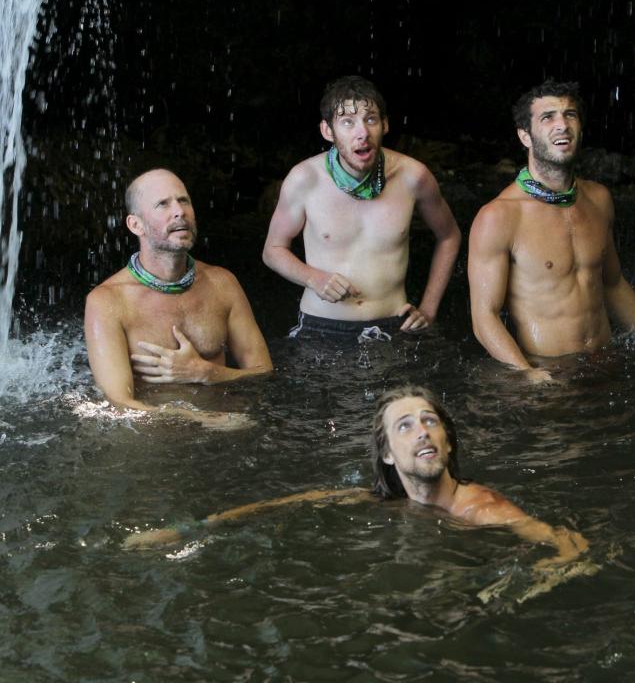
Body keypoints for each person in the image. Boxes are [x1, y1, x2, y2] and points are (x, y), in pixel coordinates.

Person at [123, 386, 594, 602]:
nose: (422, 433)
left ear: (448, 441)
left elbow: (572, 546)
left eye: (431, 422)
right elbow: (290, 504)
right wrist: (190, 529)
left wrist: (531, 583)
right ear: (388, 455)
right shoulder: (388, 500)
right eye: (405, 426)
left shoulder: (481, 509)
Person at [468, 80, 635, 382]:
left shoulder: (599, 199)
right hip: (550, 374)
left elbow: (613, 283)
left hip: (605, 362)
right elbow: (484, 317)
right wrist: (527, 374)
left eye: (570, 115)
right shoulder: (499, 216)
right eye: (548, 117)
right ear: (524, 136)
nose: (562, 125)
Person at [262, 76, 461, 344]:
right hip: (321, 327)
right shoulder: (304, 179)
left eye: (371, 119)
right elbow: (272, 251)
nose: (362, 133)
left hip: (393, 326)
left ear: (385, 124)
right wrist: (314, 278)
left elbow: (449, 236)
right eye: (347, 122)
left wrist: (428, 308)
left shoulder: (413, 176)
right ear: (327, 131)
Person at [84, 169, 273, 428]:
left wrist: (207, 373)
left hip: (225, 429)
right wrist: (202, 420)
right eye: (163, 204)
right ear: (135, 224)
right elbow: (117, 403)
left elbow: (263, 373)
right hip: (152, 443)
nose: (179, 211)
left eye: (184, 201)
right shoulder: (107, 302)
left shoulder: (222, 284)